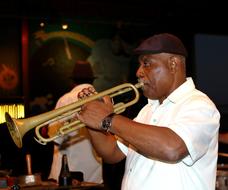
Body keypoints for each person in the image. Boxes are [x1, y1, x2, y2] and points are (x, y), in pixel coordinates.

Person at [77, 33, 221, 190]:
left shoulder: (199, 105)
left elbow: (172, 149)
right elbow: (111, 153)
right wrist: (93, 120)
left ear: (173, 64)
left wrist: (108, 119)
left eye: (147, 64)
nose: (139, 72)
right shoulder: (147, 110)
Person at [48, 83, 103, 184]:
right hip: (95, 176)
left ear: (73, 83)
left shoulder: (66, 99)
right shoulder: (101, 99)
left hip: (66, 176)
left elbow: (56, 137)